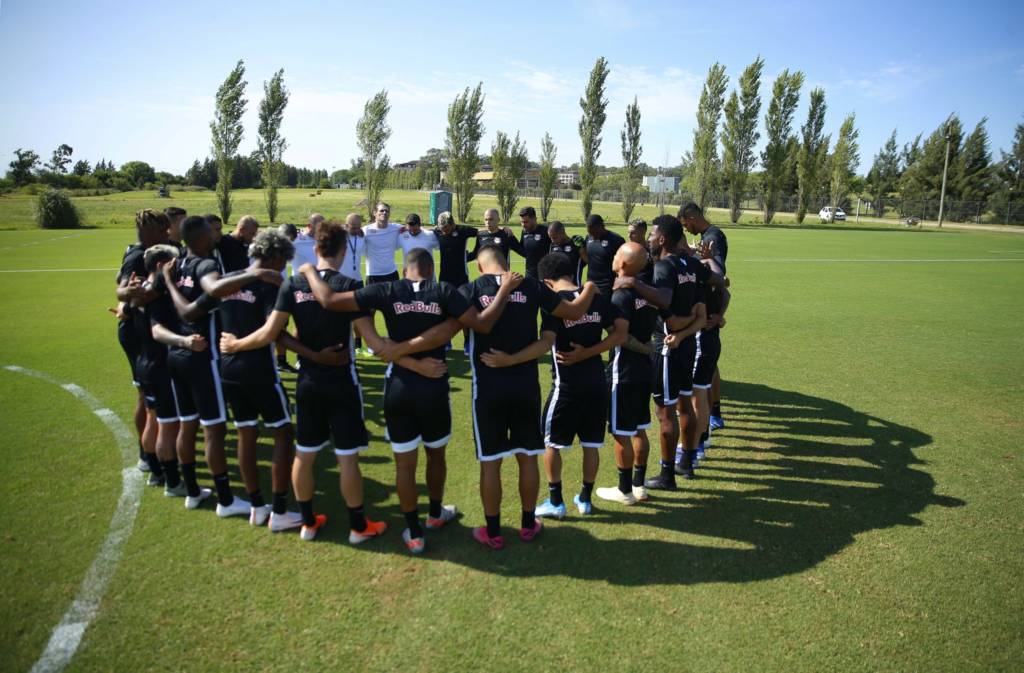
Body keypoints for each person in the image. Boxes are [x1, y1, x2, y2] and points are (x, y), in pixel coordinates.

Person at [300, 244, 521, 554]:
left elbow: (329, 299)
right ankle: (433, 515)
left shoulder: (387, 288)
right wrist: (505, 290)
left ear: (405, 270)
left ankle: (414, 532)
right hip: (434, 385)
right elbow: (480, 323)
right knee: (436, 455)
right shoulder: (444, 291)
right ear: (431, 271)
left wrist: (309, 270)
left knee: (404, 465)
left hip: (399, 387)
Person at [220, 221, 395, 542]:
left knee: (305, 453)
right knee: (347, 458)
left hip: (307, 382)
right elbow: (373, 342)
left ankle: (309, 522)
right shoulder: (348, 285)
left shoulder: (293, 284)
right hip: (342, 383)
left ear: (316, 249)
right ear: (343, 251)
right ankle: (358, 527)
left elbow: (271, 334)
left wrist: (235, 345)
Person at [460, 245, 599, 549]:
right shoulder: (533, 286)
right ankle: (527, 525)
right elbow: (574, 311)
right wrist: (590, 286)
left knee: (490, 462)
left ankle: (493, 532)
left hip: (487, 389)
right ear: (507, 263)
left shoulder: (469, 289)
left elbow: (458, 325)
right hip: (525, 388)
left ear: (481, 268)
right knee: (527, 458)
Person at [151, 215, 283, 515]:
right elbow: (213, 289)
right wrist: (256, 274)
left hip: (176, 354)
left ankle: (193, 491)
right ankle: (225, 500)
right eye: (211, 233)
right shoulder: (205, 265)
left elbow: (167, 302)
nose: (216, 236)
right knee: (214, 430)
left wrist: (168, 283)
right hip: (203, 357)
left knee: (188, 423)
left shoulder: (177, 266)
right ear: (201, 238)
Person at [211, 229, 306, 527]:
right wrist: (311, 353)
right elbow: (272, 332)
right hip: (258, 370)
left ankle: (256, 506)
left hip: (227, 368)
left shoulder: (230, 279)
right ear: (275, 257)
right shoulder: (270, 285)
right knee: (283, 433)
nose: (282, 269)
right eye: (282, 262)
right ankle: (278, 511)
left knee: (246, 433)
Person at [613, 215, 704, 490]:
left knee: (665, 413)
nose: (648, 238)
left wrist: (633, 283)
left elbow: (664, 300)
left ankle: (667, 476)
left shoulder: (664, 265)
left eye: (652, 234)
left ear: (662, 238)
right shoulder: (692, 264)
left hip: (667, 346)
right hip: (686, 343)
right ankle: (686, 462)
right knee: (685, 403)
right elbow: (716, 288)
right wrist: (689, 323)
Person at [534, 253, 627, 518]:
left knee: (551, 444)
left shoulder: (553, 304)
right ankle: (585, 499)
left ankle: (555, 502)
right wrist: (590, 352)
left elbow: (547, 340)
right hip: (597, 383)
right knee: (591, 444)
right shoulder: (597, 298)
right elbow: (620, 334)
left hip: (566, 386)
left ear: (547, 282)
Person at [595, 242, 659, 505]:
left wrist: (643, 347)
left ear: (622, 263)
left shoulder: (621, 295)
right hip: (645, 371)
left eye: (617, 253)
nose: (613, 256)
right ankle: (639, 486)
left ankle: (624, 491)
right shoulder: (647, 293)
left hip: (624, 372)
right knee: (639, 429)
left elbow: (620, 336)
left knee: (621, 432)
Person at [114, 209, 171, 476]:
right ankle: (147, 455)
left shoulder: (144, 250)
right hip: (138, 333)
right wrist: (130, 297)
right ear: (154, 231)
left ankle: (153, 453)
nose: (166, 235)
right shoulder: (139, 254)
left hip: (143, 329)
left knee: (151, 399)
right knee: (147, 399)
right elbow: (122, 288)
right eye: (163, 230)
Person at [680, 202, 729, 431]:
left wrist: (719, 315)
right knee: (709, 364)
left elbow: (720, 275)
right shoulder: (707, 235)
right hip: (711, 308)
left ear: (692, 217)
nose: (686, 228)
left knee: (707, 366)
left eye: (685, 224)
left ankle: (713, 414)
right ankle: (713, 412)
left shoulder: (714, 236)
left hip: (709, 309)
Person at [433, 210, 478, 288]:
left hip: (461, 277)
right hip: (444, 277)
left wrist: (474, 253)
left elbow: (481, 234)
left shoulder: (463, 230)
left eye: (446, 228)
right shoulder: (438, 232)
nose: (444, 231)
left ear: (452, 224)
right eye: (441, 228)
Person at [583, 213, 625, 296]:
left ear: (601, 226)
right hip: (590, 285)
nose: (592, 236)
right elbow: (590, 259)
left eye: (594, 233)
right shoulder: (588, 238)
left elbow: (623, 265)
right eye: (590, 233)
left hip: (608, 287)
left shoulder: (616, 240)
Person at [363, 202, 403, 283]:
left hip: (392, 274)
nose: (384, 213)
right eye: (381, 211)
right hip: (373, 276)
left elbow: (413, 229)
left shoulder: (396, 228)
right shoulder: (365, 230)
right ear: (375, 213)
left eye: (387, 211)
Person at [509, 206, 551, 280]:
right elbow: (523, 251)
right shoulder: (524, 232)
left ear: (534, 219)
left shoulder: (546, 232)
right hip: (529, 274)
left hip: (545, 274)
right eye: (521, 222)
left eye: (526, 222)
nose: (523, 225)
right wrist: (511, 238)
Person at [547, 220, 585, 285]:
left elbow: (589, 262)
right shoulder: (552, 246)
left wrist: (583, 248)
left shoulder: (575, 245)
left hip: (573, 288)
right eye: (550, 238)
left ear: (562, 233)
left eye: (554, 238)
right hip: (557, 289)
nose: (552, 240)